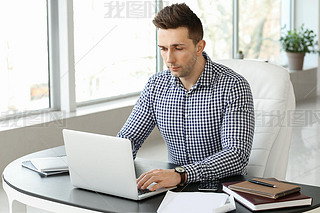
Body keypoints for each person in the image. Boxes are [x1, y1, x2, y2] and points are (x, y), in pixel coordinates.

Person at [117, 3, 254, 191]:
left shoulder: (233, 86)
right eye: (163, 49)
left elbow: (236, 155)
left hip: (223, 191)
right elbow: (128, 139)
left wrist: (182, 174)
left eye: (178, 48)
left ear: (200, 47)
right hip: (173, 190)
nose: (169, 59)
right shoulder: (156, 86)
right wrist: (106, 165)